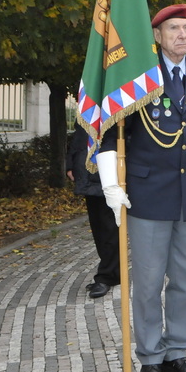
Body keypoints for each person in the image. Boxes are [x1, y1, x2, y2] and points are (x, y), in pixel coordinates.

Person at [98, 3, 186, 372]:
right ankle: (150, 357)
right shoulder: (138, 75)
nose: (182, 35)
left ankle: (177, 351)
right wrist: (110, 186)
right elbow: (108, 134)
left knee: (185, 280)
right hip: (149, 195)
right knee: (149, 283)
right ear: (157, 35)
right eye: (173, 29)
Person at [66, 123, 119, 299]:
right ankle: (111, 272)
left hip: (108, 170)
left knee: (108, 228)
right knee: (99, 227)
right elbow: (80, 134)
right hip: (88, 171)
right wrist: (71, 162)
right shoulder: (89, 101)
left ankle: (107, 275)